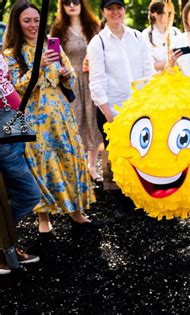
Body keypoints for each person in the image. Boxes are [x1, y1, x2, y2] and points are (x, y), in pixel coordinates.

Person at [4, 0, 94, 234]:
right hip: (35, 120)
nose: (33, 25)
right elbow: (15, 88)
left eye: (36, 20)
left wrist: (65, 74)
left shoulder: (50, 44)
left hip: (61, 114)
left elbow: (71, 76)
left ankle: (75, 210)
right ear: (17, 23)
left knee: (69, 157)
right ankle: (44, 218)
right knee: (42, 164)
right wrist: (38, 66)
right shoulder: (10, 54)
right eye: (27, 21)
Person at [87, 0, 154, 216]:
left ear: (124, 10)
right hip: (112, 110)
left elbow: (148, 71)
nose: (115, 12)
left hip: (139, 108)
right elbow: (97, 81)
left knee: (142, 152)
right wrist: (109, 114)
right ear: (103, 12)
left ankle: (141, 196)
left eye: (119, 7)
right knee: (115, 158)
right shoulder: (98, 43)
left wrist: (148, 103)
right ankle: (120, 202)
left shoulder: (137, 37)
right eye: (110, 8)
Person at [50, 0, 102, 184]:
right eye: (66, 2)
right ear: (61, 6)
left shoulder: (94, 26)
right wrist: (59, 72)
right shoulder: (58, 30)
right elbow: (53, 58)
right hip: (71, 83)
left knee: (94, 122)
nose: (72, 5)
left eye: (76, 1)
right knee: (76, 123)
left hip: (94, 80)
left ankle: (93, 166)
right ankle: (77, 167)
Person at [0, 52, 41, 274]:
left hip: (12, 129)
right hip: (3, 136)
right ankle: (5, 244)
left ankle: (8, 246)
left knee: (9, 197)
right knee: (29, 194)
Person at [142, 0, 181, 72]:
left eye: (171, 13)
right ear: (155, 14)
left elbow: (184, 58)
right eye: (167, 13)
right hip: (156, 80)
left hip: (176, 78)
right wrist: (171, 61)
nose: (170, 17)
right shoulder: (145, 35)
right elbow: (148, 65)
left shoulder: (176, 32)